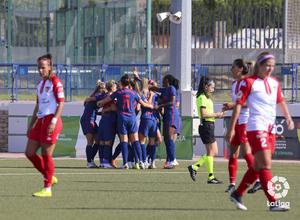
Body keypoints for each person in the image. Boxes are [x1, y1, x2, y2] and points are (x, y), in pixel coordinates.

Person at [226, 52, 294, 211]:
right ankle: (273, 202)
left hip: (270, 129)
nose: (270, 68)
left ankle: (237, 193)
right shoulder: (249, 82)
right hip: (256, 127)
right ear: (259, 66)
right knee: (265, 164)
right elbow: (238, 105)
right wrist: (231, 129)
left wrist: (288, 117)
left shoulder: (275, 82)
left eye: (272, 65)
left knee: (257, 166)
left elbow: (280, 101)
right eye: (266, 65)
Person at [25, 53, 64, 197]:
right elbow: (38, 105)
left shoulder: (56, 81)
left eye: (43, 67)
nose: (40, 70)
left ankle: (47, 188)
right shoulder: (40, 84)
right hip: (40, 121)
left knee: (46, 154)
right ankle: (50, 176)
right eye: (38, 68)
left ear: (49, 68)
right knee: (29, 152)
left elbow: (61, 103)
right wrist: (31, 124)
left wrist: (54, 121)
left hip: (51, 120)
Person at [97, 74, 153, 169]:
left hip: (122, 118)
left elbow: (105, 101)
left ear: (121, 83)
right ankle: (141, 162)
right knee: (135, 140)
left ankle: (125, 163)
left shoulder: (119, 92)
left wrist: (99, 103)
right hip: (132, 118)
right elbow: (143, 104)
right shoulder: (133, 93)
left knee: (124, 141)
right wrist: (151, 106)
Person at [223, 59, 260, 193]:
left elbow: (250, 104)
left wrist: (233, 105)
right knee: (233, 153)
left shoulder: (248, 83)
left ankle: (258, 180)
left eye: (233, 67)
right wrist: (229, 107)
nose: (231, 69)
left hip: (246, 121)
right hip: (237, 121)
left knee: (246, 152)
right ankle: (232, 183)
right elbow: (237, 105)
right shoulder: (234, 84)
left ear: (240, 69)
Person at [187, 76, 223, 184]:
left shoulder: (207, 98)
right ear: (206, 86)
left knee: (212, 152)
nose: (213, 89)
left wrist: (218, 114)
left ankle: (207, 174)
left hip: (209, 126)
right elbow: (203, 114)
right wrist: (216, 115)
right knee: (213, 151)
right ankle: (197, 168)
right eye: (211, 87)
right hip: (206, 126)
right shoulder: (201, 97)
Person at [151, 74, 181, 169]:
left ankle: (172, 159)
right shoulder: (165, 89)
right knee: (167, 138)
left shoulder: (171, 88)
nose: (162, 82)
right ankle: (170, 160)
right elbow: (156, 89)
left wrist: (159, 106)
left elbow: (172, 102)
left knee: (169, 138)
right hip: (167, 116)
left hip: (172, 114)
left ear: (167, 80)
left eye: (163, 80)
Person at [81, 81, 106, 168]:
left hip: (91, 119)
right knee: (90, 142)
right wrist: (88, 99)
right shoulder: (99, 95)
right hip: (88, 120)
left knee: (98, 140)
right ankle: (89, 162)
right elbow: (91, 100)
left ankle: (90, 159)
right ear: (101, 88)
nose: (105, 89)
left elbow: (91, 105)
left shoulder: (95, 95)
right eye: (104, 88)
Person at [96, 80, 118, 168]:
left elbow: (99, 104)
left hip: (103, 119)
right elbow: (114, 107)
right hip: (109, 119)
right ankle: (105, 162)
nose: (116, 88)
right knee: (108, 142)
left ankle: (102, 162)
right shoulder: (111, 96)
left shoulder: (104, 95)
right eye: (115, 87)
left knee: (102, 142)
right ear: (112, 88)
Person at [138, 78, 158, 169]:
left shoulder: (143, 94)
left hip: (146, 119)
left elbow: (148, 104)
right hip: (153, 120)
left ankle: (145, 161)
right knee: (152, 141)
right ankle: (152, 162)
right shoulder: (156, 95)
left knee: (142, 141)